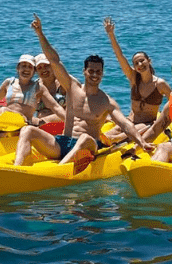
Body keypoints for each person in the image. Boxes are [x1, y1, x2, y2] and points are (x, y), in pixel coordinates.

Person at [14, 15, 154, 166]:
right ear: (84, 72)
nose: (94, 75)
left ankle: (61, 169)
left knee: (85, 138)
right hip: (64, 143)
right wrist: (40, 33)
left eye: (98, 72)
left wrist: (141, 142)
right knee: (27, 130)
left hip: (89, 147)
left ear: (102, 74)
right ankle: (17, 169)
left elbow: (126, 125)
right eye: (91, 71)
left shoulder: (106, 102)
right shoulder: (71, 87)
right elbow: (54, 60)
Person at [102, 17, 171, 137]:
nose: (140, 65)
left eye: (142, 61)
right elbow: (120, 56)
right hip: (129, 121)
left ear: (149, 61)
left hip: (146, 124)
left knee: (117, 137)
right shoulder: (134, 78)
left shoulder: (160, 84)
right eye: (136, 63)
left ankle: (114, 140)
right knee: (108, 134)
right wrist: (111, 35)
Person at [0, 54, 63, 126]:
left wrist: (70, 121)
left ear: (34, 71)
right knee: (2, 110)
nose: (27, 69)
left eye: (30, 67)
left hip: (25, 123)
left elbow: (55, 107)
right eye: (24, 66)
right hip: (7, 122)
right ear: (18, 68)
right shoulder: (9, 83)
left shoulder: (38, 87)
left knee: (3, 110)